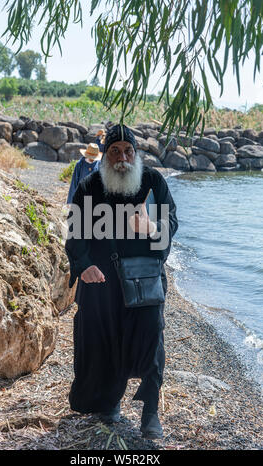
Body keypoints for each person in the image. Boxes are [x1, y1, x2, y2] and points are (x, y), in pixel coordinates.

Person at [65, 124, 178, 439]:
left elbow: (172, 220)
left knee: (151, 339)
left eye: (128, 151)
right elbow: (75, 230)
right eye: (114, 151)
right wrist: (83, 265)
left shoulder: (153, 182)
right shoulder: (89, 186)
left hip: (144, 280)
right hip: (101, 283)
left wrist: (152, 227)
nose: (122, 158)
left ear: (136, 154)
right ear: (105, 156)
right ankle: (109, 400)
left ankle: (150, 411)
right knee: (103, 341)